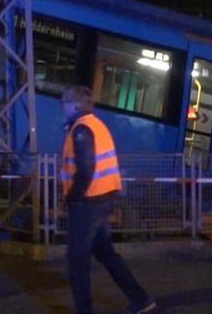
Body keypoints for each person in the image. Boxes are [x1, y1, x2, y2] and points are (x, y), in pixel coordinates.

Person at [60, 86, 156, 314]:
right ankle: (140, 299)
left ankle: (84, 310)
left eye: (63, 103)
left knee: (77, 259)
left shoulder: (82, 129)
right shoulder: (96, 124)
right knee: (104, 253)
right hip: (102, 198)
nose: (62, 107)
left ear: (74, 104)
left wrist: (73, 197)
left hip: (88, 202)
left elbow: (84, 169)